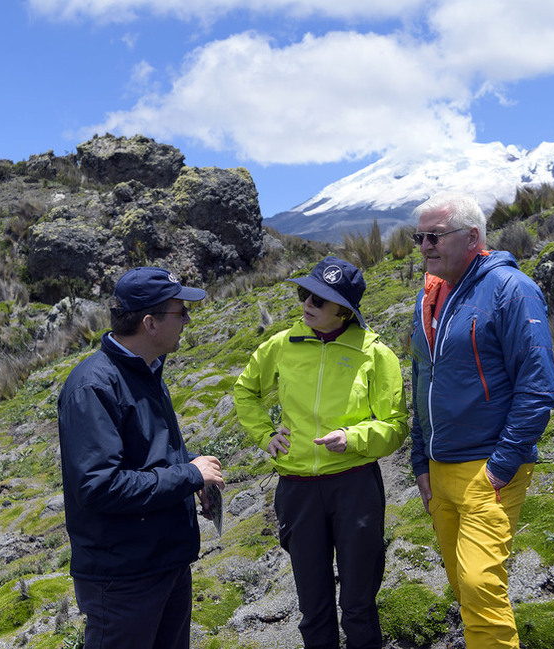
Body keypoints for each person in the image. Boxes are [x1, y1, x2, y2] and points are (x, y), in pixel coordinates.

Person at [234, 256, 409, 649]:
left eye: (319, 299)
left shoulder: (375, 353)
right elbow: (245, 392)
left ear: (344, 311)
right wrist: (265, 435)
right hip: (297, 490)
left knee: (359, 604)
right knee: (313, 607)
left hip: (355, 487)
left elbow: (395, 425)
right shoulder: (281, 345)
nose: (307, 304)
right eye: (305, 294)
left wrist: (354, 438)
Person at [409, 193, 554, 649]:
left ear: (472, 237)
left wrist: (501, 464)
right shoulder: (428, 297)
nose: (425, 246)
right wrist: (419, 462)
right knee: (463, 586)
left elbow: (538, 385)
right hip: (439, 472)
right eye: (420, 237)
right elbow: (420, 382)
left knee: (479, 584)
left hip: (487, 470)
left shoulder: (514, 290)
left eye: (435, 236)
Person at [57, 267, 225, 649]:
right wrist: (187, 476)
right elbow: (100, 486)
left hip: (165, 561)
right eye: (180, 312)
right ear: (150, 323)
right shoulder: (93, 386)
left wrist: (195, 469)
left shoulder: (148, 371)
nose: (187, 320)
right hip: (123, 579)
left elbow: (148, 454)